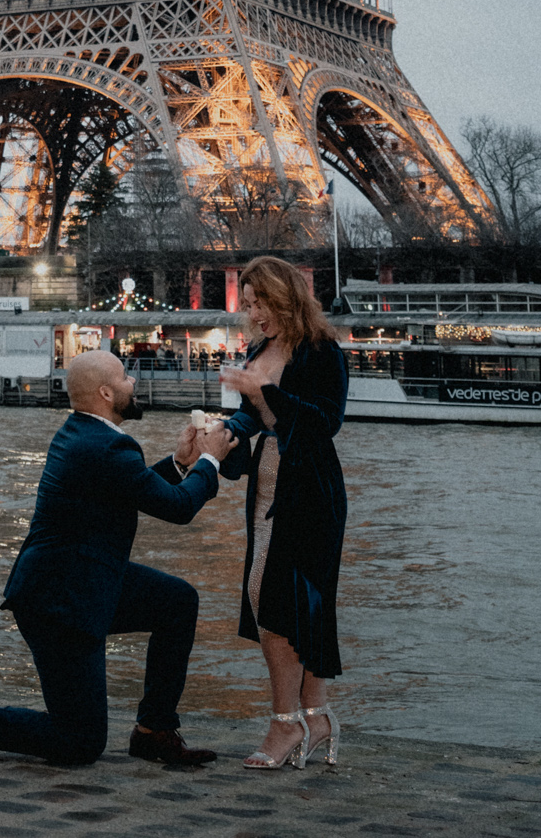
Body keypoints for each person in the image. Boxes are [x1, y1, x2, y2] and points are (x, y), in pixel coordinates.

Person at [0, 349, 235, 767]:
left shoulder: (88, 435)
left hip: (85, 579)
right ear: (106, 392)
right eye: (126, 378)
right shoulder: (106, 447)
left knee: (176, 602)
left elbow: (136, 488)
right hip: (58, 602)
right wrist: (211, 459)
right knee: (80, 741)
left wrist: (182, 462)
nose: (133, 384)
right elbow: (178, 509)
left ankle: (154, 731)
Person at [216, 256, 349, 770]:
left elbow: (325, 423)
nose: (252, 313)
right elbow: (252, 419)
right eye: (247, 303)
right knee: (292, 603)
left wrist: (264, 392)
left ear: (285, 296)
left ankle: (284, 723)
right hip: (268, 487)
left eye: (259, 302)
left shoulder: (322, 352)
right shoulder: (261, 349)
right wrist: (224, 435)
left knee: (277, 601)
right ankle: (315, 715)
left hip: (310, 491)